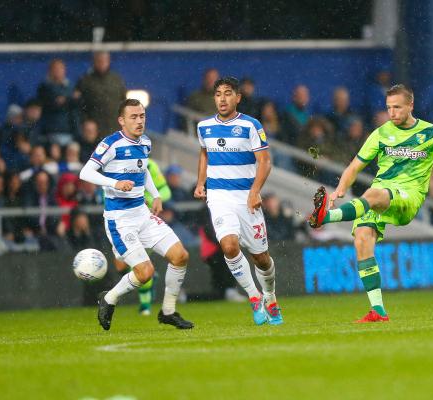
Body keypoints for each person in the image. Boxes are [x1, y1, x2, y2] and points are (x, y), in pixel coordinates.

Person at [308, 84, 433, 323]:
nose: (392, 113)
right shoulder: (381, 133)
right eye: (388, 108)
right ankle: (378, 311)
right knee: (361, 240)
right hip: (379, 196)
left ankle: (326, 218)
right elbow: (355, 165)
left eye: (397, 107)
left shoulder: (432, 134)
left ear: (411, 105)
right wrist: (340, 188)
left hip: (408, 198)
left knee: (374, 193)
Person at [79, 98, 193, 330]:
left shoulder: (145, 143)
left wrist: (156, 195)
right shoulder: (110, 144)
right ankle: (109, 298)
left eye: (142, 116)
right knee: (145, 272)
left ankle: (168, 312)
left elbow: (144, 169)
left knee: (180, 256)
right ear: (121, 121)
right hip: (120, 221)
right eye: (133, 117)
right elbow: (85, 172)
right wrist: (114, 182)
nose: (139, 121)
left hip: (142, 213)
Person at [194, 76, 283, 325]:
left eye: (228, 93)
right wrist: (201, 182)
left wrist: (255, 192)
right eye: (218, 94)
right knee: (230, 246)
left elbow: (265, 162)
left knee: (261, 258)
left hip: (246, 199)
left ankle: (270, 296)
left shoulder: (251, 126)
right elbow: (204, 153)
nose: (222, 98)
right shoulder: (203, 127)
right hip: (219, 197)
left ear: (238, 97)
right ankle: (254, 298)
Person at [111, 158, 172, 315]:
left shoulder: (150, 165)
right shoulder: (117, 163)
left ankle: (145, 306)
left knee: (139, 264)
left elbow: (165, 191)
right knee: (120, 265)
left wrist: (150, 200)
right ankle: (151, 279)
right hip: (122, 219)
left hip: (143, 220)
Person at [75, 51, 127, 137]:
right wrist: (85, 121)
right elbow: (79, 104)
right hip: (94, 128)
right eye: (99, 61)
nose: (102, 63)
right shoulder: (86, 80)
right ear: (94, 62)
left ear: (108, 61)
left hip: (114, 125)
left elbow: (124, 100)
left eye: (104, 60)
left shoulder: (116, 79)